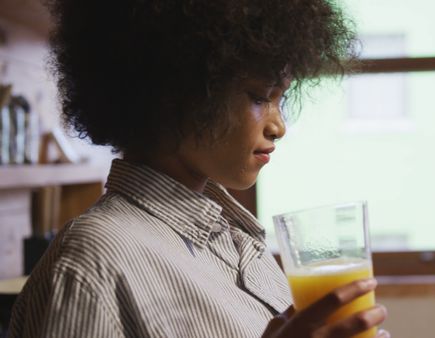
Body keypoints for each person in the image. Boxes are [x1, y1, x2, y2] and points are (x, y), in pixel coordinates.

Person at [8, 0, 389, 337]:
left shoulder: (240, 243)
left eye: (281, 99)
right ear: (179, 93)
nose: (278, 127)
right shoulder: (93, 263)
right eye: (260, 96)